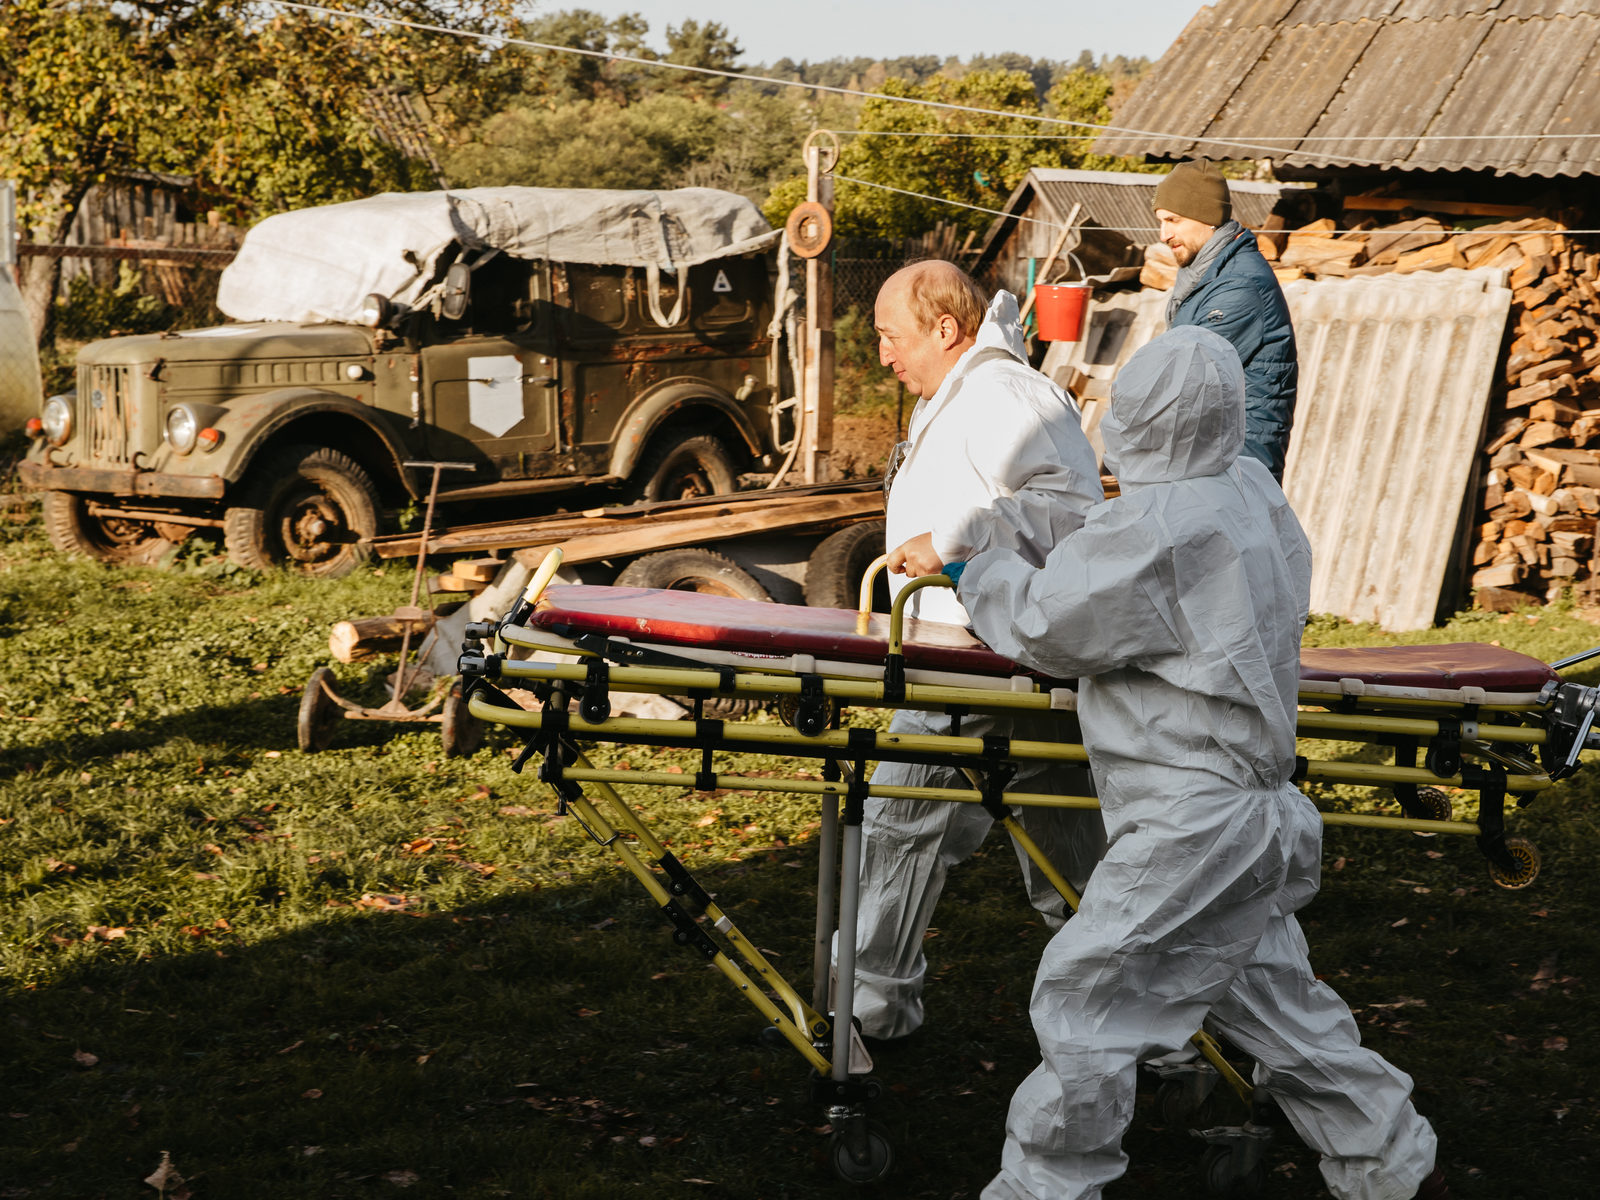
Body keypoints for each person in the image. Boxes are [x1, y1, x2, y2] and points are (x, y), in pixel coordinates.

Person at [953, 326, 1449, 1200]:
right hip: (1251, 813)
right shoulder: (1251, 492)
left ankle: (1044, 1186)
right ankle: (1392, 1163)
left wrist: (975, 568)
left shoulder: (1159, 528)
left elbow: (1046, 626)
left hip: (1189, 823)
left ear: (1133, 417)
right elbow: (1129, 569)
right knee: (1276, 1005)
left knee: (1087, 1001)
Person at [841, 259, 1107, 1042]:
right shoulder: (963, 396)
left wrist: (955, 538)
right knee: (1072, 858)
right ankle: (1148, 1027)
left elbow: (1071, 511)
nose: (884, 355)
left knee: (899, 822)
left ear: (946, 329)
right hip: (988, 653)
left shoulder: (1006, 396)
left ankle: (869, 1008)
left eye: (891, 336)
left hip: (988, 658)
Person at [1154, 158, 1299, 481]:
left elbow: (1186, 375)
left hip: (1238, 467)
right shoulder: (1204, 275)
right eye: (1161, 221)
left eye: (1173, 220)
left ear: (1206, 217)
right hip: (1213, 459)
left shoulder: (1239, 285)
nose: (1164, 234)